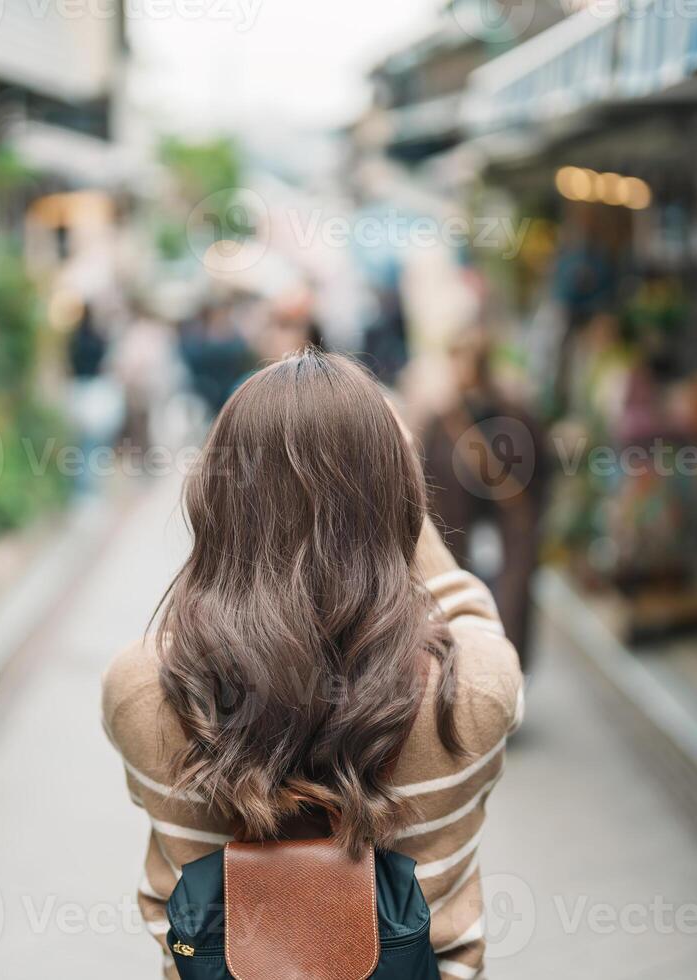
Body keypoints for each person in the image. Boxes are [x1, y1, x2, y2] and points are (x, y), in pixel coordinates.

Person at [102, 349, 524, 979]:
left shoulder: (141, 689)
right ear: (402, 503)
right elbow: (470, 613)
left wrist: (232, 566)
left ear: (217, 499)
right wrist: (393, 495)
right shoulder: (474, 692)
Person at [419, 327, 547, 661]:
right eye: (457, 358)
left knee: (509, 610)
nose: (461, 368)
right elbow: (425, 477)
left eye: (468, 359)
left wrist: (528, 522)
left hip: (509, 534)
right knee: (462, 611)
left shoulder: (515, 414)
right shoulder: (441, 421)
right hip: (457, 535)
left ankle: (509, 674)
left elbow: (540, 471)